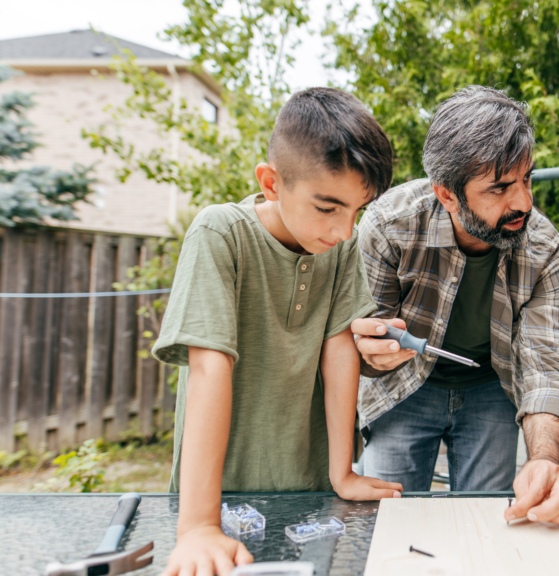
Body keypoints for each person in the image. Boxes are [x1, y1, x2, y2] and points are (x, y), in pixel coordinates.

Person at [153, 87, 403, 576]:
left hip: (308, 492)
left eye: (358, 211)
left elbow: (339, 352)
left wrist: (342, 471)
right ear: (271, 183)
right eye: (328, 208)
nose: (344, 231)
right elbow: (209, 367)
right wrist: (199, 526)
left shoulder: (341, 249)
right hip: (221, 494)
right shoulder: (219, 233)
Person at [349, 86, 559, 527]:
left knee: (492, 520)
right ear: (447, 195)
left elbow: (545, 365)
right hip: (403, 387)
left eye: (527, 179)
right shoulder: (388, 225)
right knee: (387, 522)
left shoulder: (546, 248)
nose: (523, 203)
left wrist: (547, 462)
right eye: (499, 188)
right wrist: (371, 355)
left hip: (491, 390)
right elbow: (362, 342)